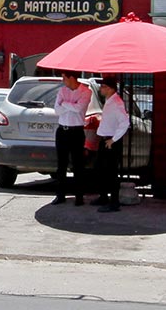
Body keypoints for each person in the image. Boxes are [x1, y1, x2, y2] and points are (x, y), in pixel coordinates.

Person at [52, 71, 92, 206]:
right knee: (61, 165)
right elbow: (57, 110)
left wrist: (65, 104)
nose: (63, 80)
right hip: (62, 130)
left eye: (64, 77)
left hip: (76, 131)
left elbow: (79, 108)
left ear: (72, 78)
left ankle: (79, 197)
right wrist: (70, 104)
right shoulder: (62, 91)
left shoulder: (85, 91)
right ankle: (60, 195)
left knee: (78, 164)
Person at [94, 76, 130, 213]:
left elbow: (125, 122)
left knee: (111, 172)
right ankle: (103, 196)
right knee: (100, 169)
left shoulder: (116, 103)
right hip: (105, 139)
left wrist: (113, 139)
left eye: (103, 86)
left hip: (111, 141)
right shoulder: (109, 101)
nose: (100, 89)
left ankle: (114, 202)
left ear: (110, 88)